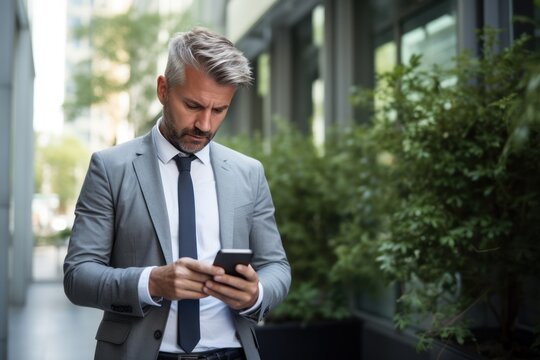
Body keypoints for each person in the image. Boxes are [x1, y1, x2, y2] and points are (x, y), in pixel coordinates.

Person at [63, 28, 291, 360]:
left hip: (232, 352)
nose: (205, 125)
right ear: (163, 89)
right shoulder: (110, 168)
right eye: (193, 105)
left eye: (219, 110)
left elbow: (277, 266)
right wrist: (152, 282)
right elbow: (78, 275)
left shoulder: (248, 173)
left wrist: (256, 293)